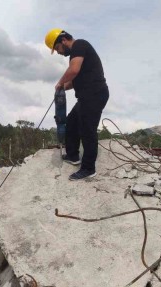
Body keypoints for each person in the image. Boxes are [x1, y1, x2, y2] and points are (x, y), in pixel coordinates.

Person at [45, 28, 110, 181]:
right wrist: (63, 87)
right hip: (86, 97)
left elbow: (73, 70)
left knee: (87, 130)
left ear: (63, 40)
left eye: (57, 49)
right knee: (72, 121)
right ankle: (73, 155)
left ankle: (88, 168)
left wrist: (60, 82)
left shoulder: (79, 45)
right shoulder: (76, 55)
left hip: (95, 94)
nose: (59, 52)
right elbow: (75, 80)